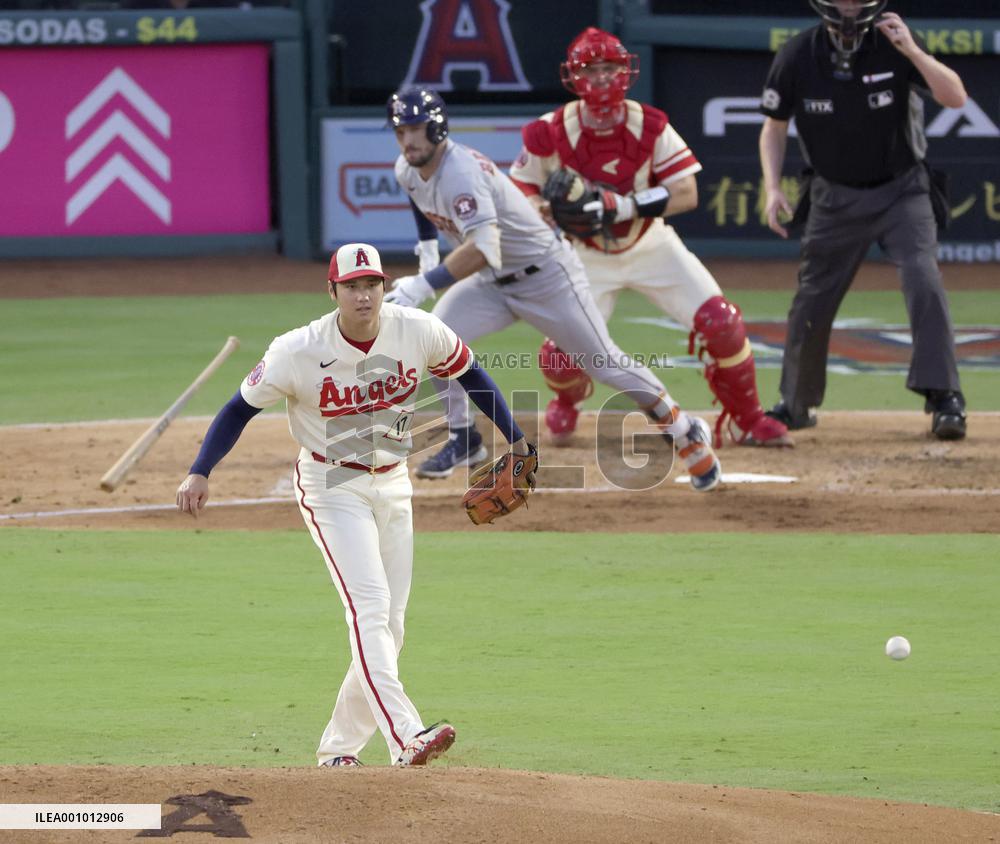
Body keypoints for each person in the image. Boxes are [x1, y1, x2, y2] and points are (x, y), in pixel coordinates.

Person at [175, 243, 538, 767]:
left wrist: (517, 439)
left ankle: (337, 751)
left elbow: (473, 376)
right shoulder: (296, 350)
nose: (364, 295)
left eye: (372, 284)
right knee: (368, 609)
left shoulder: (418, 330)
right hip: (331, 485)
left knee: (392, 625)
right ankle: (406, 736)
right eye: (352, 286)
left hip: (393, 479)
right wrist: (201, 470)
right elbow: (238, 409)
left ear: (383, 287)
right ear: (333, 292)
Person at [386, 86, 722, 492]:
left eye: (416, 129)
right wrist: (425, 251)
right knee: (435, 340)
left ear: (437, 128)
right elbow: (418, 197)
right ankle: (465, 439)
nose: (408, 140)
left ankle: (686, 431)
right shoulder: (407, 168)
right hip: (494, 283)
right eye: (401, 131)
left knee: (605, 365)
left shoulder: (460, 174)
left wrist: (423, 283)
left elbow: (482, 248)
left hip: (546, 276)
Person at [507, 27, 791, 450]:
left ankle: (748, 419)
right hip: (584, 255)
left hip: (649, 243)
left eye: (611, 69)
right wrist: (540, 213)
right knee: (560, 356)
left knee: (722, 322)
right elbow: (520, 189)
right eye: (592, 69)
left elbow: (686, 193)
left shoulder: (651, 125)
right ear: (574, 76)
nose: (602, 79)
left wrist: (623, 206)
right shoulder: (550, 130)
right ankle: (567, 399)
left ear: (626, 71)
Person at [759, 0, 968, 440]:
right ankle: (795, 404)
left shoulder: (896, 44)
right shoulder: (797, 54)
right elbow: (774, 126)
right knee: (811, 300)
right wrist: (773, 186)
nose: (851, 8)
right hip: (833, 199)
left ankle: (945, 397)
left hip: (903, 190)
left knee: (923, 278)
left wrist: (913, 51)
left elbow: (955, 97)